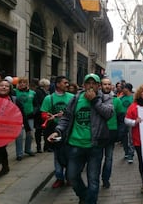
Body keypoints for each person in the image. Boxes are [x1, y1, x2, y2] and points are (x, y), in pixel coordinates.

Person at [47, 73, 113, 204]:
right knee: (72, 176)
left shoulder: (105, 98)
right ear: (83, 85)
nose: (91, 86)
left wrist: (94, 100)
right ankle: (84, 197)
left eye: (94, 83)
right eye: (88, 83)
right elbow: (66, 118)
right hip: (75, 145)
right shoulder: (76, 98)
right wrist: (58, 131)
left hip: (94, 146)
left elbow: (108, 114)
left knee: (93, 180)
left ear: (98, 86)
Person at [0, 80, 29, 186]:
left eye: (6, 86)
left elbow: (21, 114)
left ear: (10, 89)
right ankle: (5, 167)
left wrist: (28, 129)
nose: (4, 87)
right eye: (1, 85)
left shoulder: (14, 100)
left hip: (6, 131)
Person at [41, 76, 74, 188]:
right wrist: (48, 116)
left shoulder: (72, 97)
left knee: (70, 155)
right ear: (58, 84)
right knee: (57, 155)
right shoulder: (48, 98)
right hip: (55, 130)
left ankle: (69, 177)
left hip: (69, 131)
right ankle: (59, 178)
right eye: (65, 83)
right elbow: (44, 113)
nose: (67, 85)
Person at [101, 77, 124, 189]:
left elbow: (121, 118)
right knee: (96, 158)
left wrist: (119, 133)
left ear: (112, 86)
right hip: (98, 134)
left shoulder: (116, 100)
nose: (107, 86)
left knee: (109, 158)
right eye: (104, 84)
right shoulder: (96, 99)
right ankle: (95, 178)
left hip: (111, 133)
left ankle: (106, 179)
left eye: (109, 84)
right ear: (100, 86)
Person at [14, 77, 38, 160]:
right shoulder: (14, 92)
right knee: (19, 135)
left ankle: (28, 149)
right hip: (18, 117)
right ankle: (19, 153)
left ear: (27, 84)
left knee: (29, 134)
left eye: (24, 82)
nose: (22, 84)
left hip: (29, 117)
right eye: (20, 82)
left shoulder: (33, 93)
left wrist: (33, 112)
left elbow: (36, 105)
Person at [119, 83, 135, 163]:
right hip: (122, 119)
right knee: (123, 136)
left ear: (127, 89)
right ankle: (126, 151)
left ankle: (130, 154)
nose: (122, 90)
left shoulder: (133, 97)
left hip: (131, 119)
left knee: (131, 137)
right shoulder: (121, 97)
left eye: (123, 88)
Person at [34, 78, 50, 153]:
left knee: (45, 131)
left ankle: (46, 146)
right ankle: (39, 146)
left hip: (44, 113)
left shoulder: (46, 92)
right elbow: (39, 102)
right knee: (39, 131)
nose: (48, 87)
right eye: (47, 85)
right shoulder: (39, 92)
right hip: (39, 114)